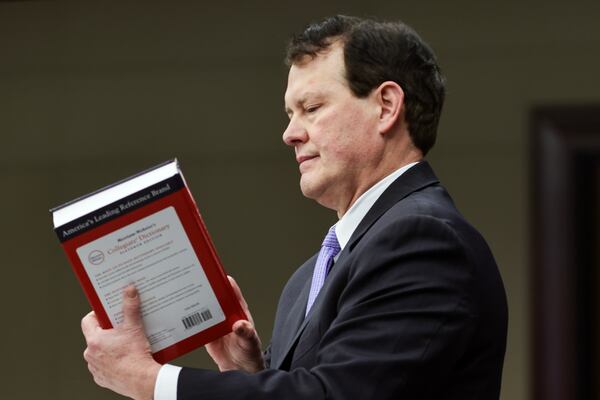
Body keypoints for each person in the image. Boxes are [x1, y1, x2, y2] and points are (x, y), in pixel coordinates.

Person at [81, 15, 508, 400]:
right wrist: (246, 373)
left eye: (311, 108)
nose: (289, 134)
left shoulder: (425, 240)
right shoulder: (308, 278)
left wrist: (147, 380)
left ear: (386, 106)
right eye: (289, 113)